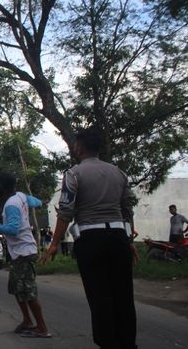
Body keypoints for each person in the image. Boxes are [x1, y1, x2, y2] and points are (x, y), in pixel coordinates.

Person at [42, 128, 138, 349]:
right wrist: (129, 240)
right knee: (123, 295)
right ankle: (127, 343)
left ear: (80, 147)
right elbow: (127, 208)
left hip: (91, 239)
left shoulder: (73, 174)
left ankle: (107, 343)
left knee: (99, 296)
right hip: (118, 238)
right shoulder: (119, 173)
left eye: (76, 144)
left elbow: (66, 211)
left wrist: (55, 243)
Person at [0, 172, 50, 338]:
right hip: (19, 253)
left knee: (28, 291)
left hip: (23, 252)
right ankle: (27, 321)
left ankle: (42, 327)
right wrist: (41, 202)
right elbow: (35, 202)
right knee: (17, 289)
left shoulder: (11, 205)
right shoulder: (20, 196)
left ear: (3, 187)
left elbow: (13, 229)